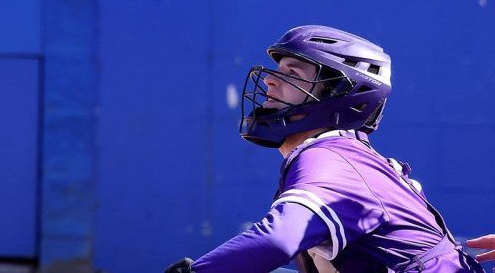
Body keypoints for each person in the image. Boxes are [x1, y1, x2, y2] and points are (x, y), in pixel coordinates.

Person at [164, 25, 483, 272]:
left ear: (338, 92)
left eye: (292, 73)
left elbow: (276, 240)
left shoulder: (329, 158)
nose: (270, 82)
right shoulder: (348, 154)